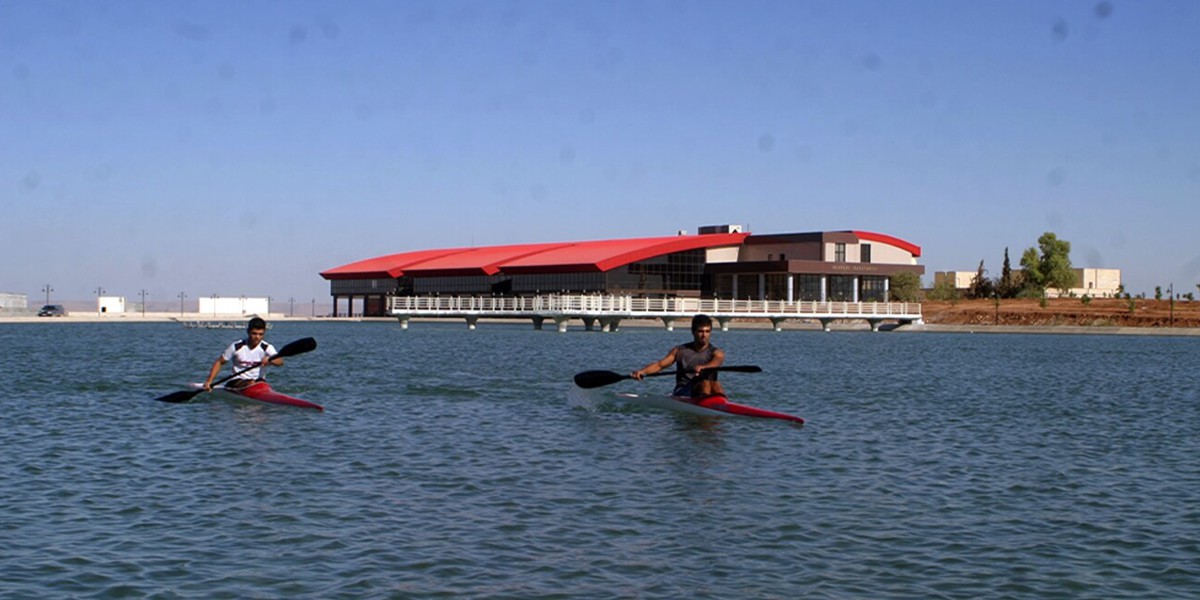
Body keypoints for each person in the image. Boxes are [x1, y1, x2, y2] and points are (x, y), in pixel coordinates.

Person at [632, 314, 726, 399]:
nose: (704, 335)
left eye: (707, 331)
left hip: (708, 389)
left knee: (716, 385)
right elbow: (660, 365)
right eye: (700, 331)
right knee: (705, 384)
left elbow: (716, 363)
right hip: (683, 391)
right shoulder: (679, 351)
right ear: (693, 331)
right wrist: (642, 371)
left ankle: (722, 406)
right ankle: (710, 408)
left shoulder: (717, 353)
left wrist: (704, 367)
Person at [203, 317, 284, 391]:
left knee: (259, 383)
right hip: (237, 381)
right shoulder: (236, 346)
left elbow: (280, 362)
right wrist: (209, 382)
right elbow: (220, 362)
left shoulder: (266, 347)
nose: (257, 337)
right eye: (254, 333)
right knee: (251, 383)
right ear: (248, 332)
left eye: (260, 334)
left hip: (259, 383)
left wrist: (270, 360)